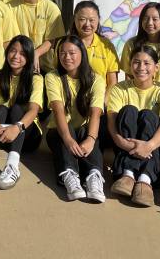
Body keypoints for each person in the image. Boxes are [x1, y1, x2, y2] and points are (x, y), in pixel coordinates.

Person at [106, 44, 160, 207]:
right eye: (136, 62)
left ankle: (144, 179)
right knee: (129, 111)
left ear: (156, 68)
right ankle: (129, 176)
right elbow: (112, 122)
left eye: (147, 63)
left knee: (148, 115)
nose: (141, 67)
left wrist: (148, 146)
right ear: (130, 65)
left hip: (156, 148)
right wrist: (122, 143)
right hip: (125, 145)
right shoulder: (119, 89)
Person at [0, 35, 44, 189]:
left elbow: (34, 110)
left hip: (27, 135)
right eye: (13, 51)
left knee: (17, 109)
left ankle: (13, 167)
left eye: (22, 54)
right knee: (0, 109)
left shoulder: (35, 79)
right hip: (3, 135)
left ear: (28, 57)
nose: (16, 56)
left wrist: (17, 127)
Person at [45, 35, 106, 202]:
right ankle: (70, 176)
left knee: (88, 134)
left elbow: (95, 113)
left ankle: (94, 176)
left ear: (82, 54)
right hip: (59, 131)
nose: (67, 57)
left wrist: (91, 139)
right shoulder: (53, 77)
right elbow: (58, 111)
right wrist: (68, 139)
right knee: (68, 132)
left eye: (72, 53)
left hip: (84, 132)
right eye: (62, 53)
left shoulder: (97, 80)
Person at [11, 0, 65, 73]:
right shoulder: (10, 7)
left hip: (45, 65)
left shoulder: (51, 8)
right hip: (18, 63)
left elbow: (52, 40)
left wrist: (36, 53)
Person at [70, 0, 119, 93]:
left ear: (98, 20)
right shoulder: (66, 44)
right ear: (74, 19)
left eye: (92, 20)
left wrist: (103, 103)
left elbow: (112, 82)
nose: (87, 24)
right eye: (82, 19)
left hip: (99, 101)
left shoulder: (107, 46)